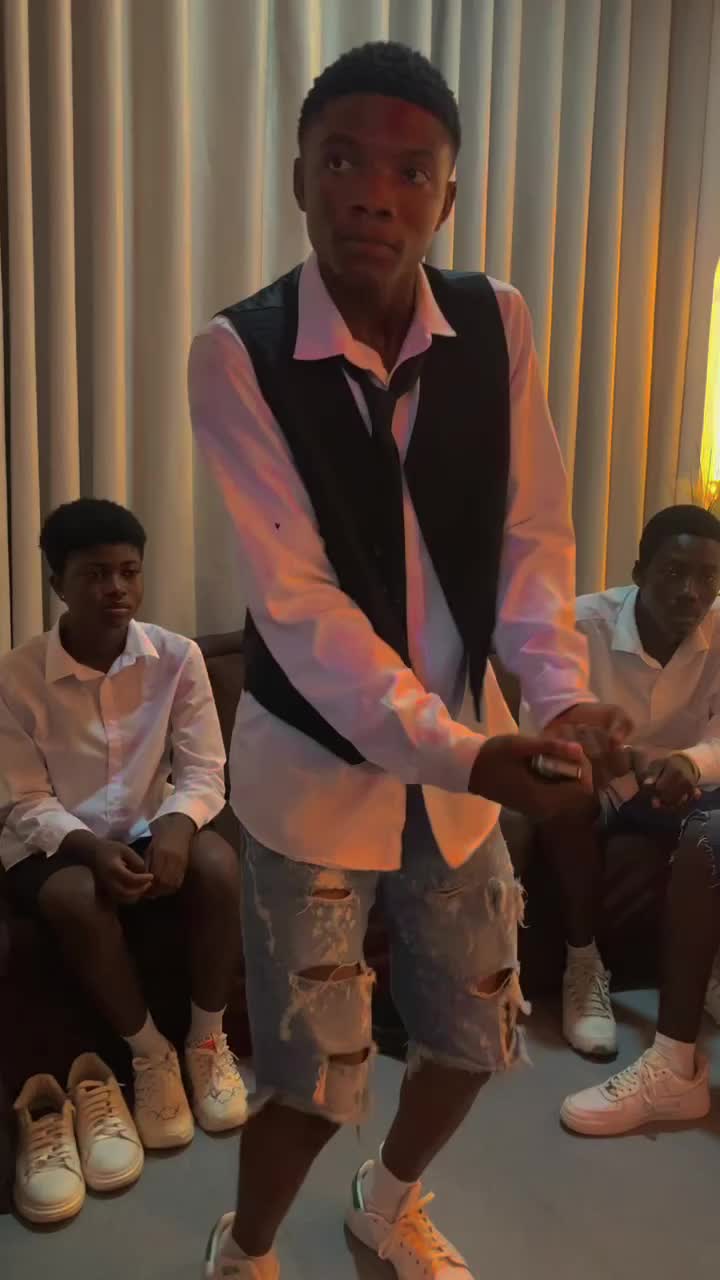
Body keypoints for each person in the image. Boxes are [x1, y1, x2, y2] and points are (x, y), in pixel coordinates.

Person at [189, 42, 627, 1280]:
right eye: (342, 161)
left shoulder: (498, 323)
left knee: (478, 1032)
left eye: (409, 171)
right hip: (315, 781)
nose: (373, 195)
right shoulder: (238, 353)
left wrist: (560, 695)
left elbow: (532, 536)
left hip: (464, 775)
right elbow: (301, 611)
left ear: (448, 196)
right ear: (298, 177)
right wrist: (475, 752)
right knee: (312, 1076)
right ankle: (245, 1247)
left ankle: (384, 1203)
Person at [0, 499, 248, 1183]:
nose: (116, 588)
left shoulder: (177, 657)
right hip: (55, 843)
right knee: (77, 897)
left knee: (218, 863)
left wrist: (176, 824)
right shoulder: (16, 676)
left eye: (129, 572)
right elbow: (24, 800)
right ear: (58, 583)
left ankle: (206, 1042)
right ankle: (149, 1055)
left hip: (147, 824)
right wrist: (87, 847)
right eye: (95, 574)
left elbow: (203, 770)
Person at [538, 504, 720, 1136]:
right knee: (563, 789)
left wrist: (689, 765)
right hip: (603, 782)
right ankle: (583, 962)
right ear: (638, 571)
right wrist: (613, 763)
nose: (690, 591)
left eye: (707, 576)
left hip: (691, 788)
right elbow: (547, 725)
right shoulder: (581, 624)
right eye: (673, 572)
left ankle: (710, 968)